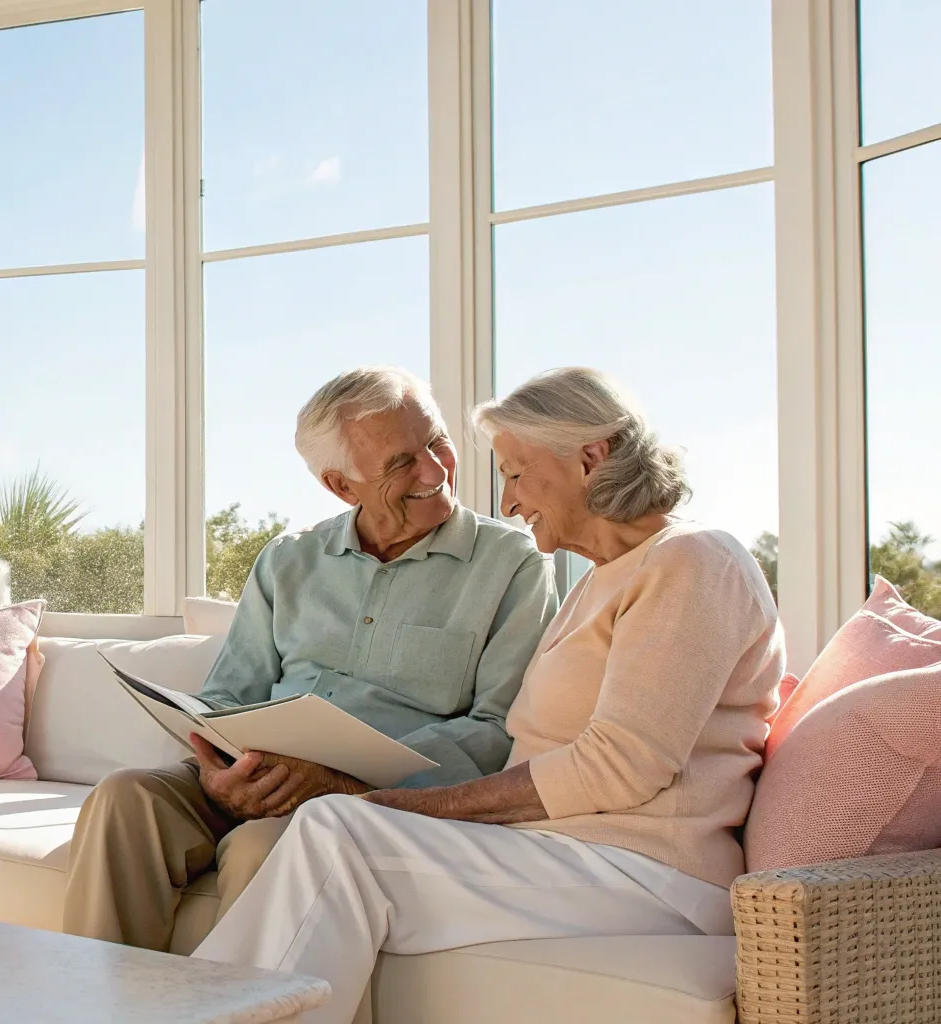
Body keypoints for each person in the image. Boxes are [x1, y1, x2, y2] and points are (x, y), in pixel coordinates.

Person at [193, 367, 786, 1024]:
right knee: (331, 842)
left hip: (649, 874)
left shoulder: (695, 559)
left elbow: (622, 763)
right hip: (563, 856)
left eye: (516, 472)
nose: (506, 501)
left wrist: (400, 804)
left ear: (589, 459)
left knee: (339, 831)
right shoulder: (604, 579)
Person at [63, 367, 557, 951]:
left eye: (436, 440)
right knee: (124, 798)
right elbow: (227, 697)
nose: (434, 469)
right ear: (341, 486)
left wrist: (340, 783)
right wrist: (217, 775)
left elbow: (498, 729)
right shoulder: (287, 560)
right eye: (400, 463)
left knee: (262, 846)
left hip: (372, 801)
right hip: (257, 775)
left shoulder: (512, 564)